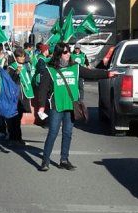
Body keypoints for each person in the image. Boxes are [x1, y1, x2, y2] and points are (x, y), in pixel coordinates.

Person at [36, 42, 109, 172]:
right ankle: (45, 161)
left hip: (71, 106)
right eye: (65, 52)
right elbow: (42, 89)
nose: (68, 53)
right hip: (57, 106)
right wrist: (41, 106)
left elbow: (91, 74)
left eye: (68, 51)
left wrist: (107, 74)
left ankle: (64, 160)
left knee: (68, 133)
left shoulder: (75, 67)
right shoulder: (50, 69)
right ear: (58, 54)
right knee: (52, 133)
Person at [6, 47, 33, 145]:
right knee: (14, 118)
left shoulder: (24, 66)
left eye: (23, 57)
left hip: (23, 95)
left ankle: (18, 138)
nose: (22, 59)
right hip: (15, 96)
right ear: (16, 57)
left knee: (19, 117)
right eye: (20, 57)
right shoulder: (11, 67)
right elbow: (9, 81)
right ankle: (13, 138)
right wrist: (16, 73)